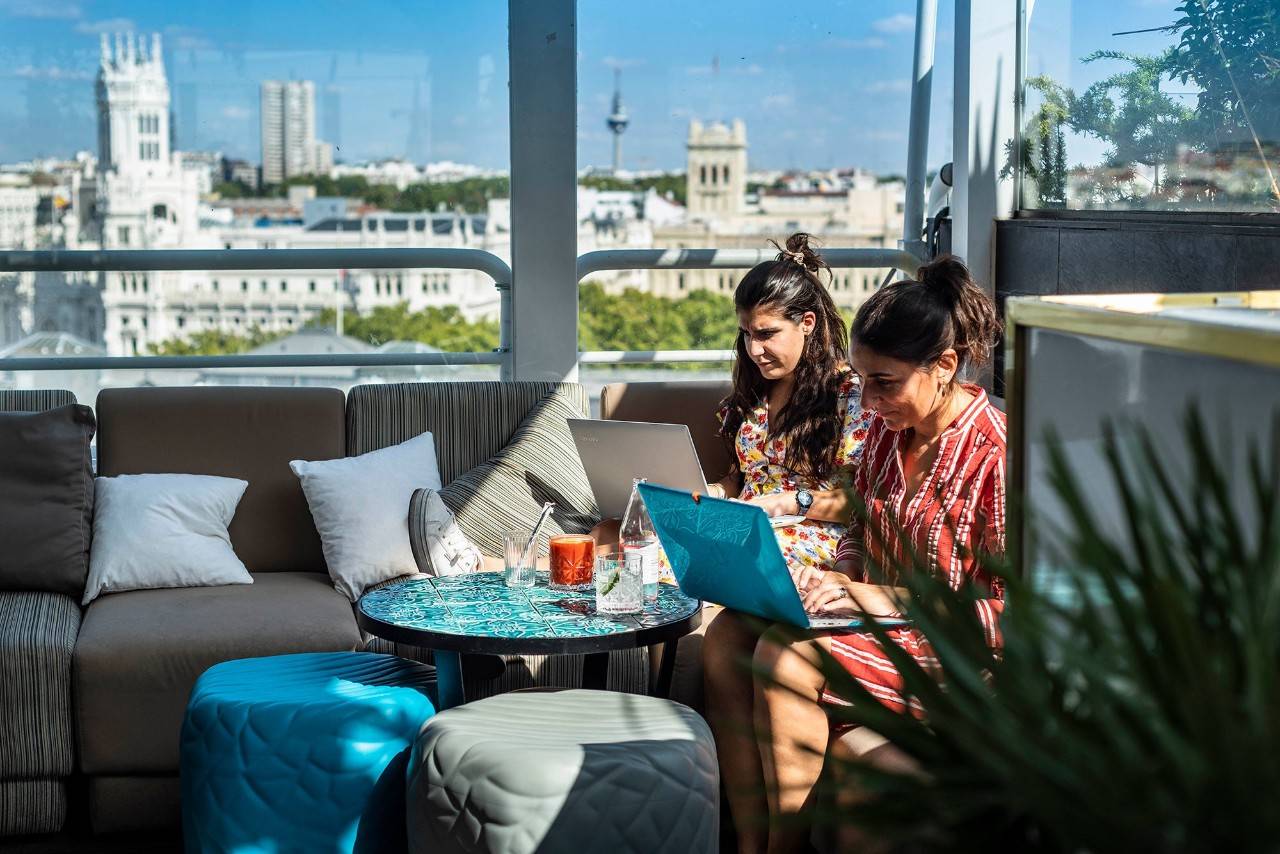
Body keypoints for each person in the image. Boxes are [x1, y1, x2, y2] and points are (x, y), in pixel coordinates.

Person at [708, 254, 1007, 854]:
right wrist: (838, 576)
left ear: (944, 366)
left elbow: (1011, 614)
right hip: (877, 631)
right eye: (863, 380)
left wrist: (876, 595)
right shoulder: (884, 435)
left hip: (959, 656)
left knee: (786, 656)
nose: (867, 402)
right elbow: (857, 528)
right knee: (728, 638)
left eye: (884, 382)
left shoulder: (995, 454)